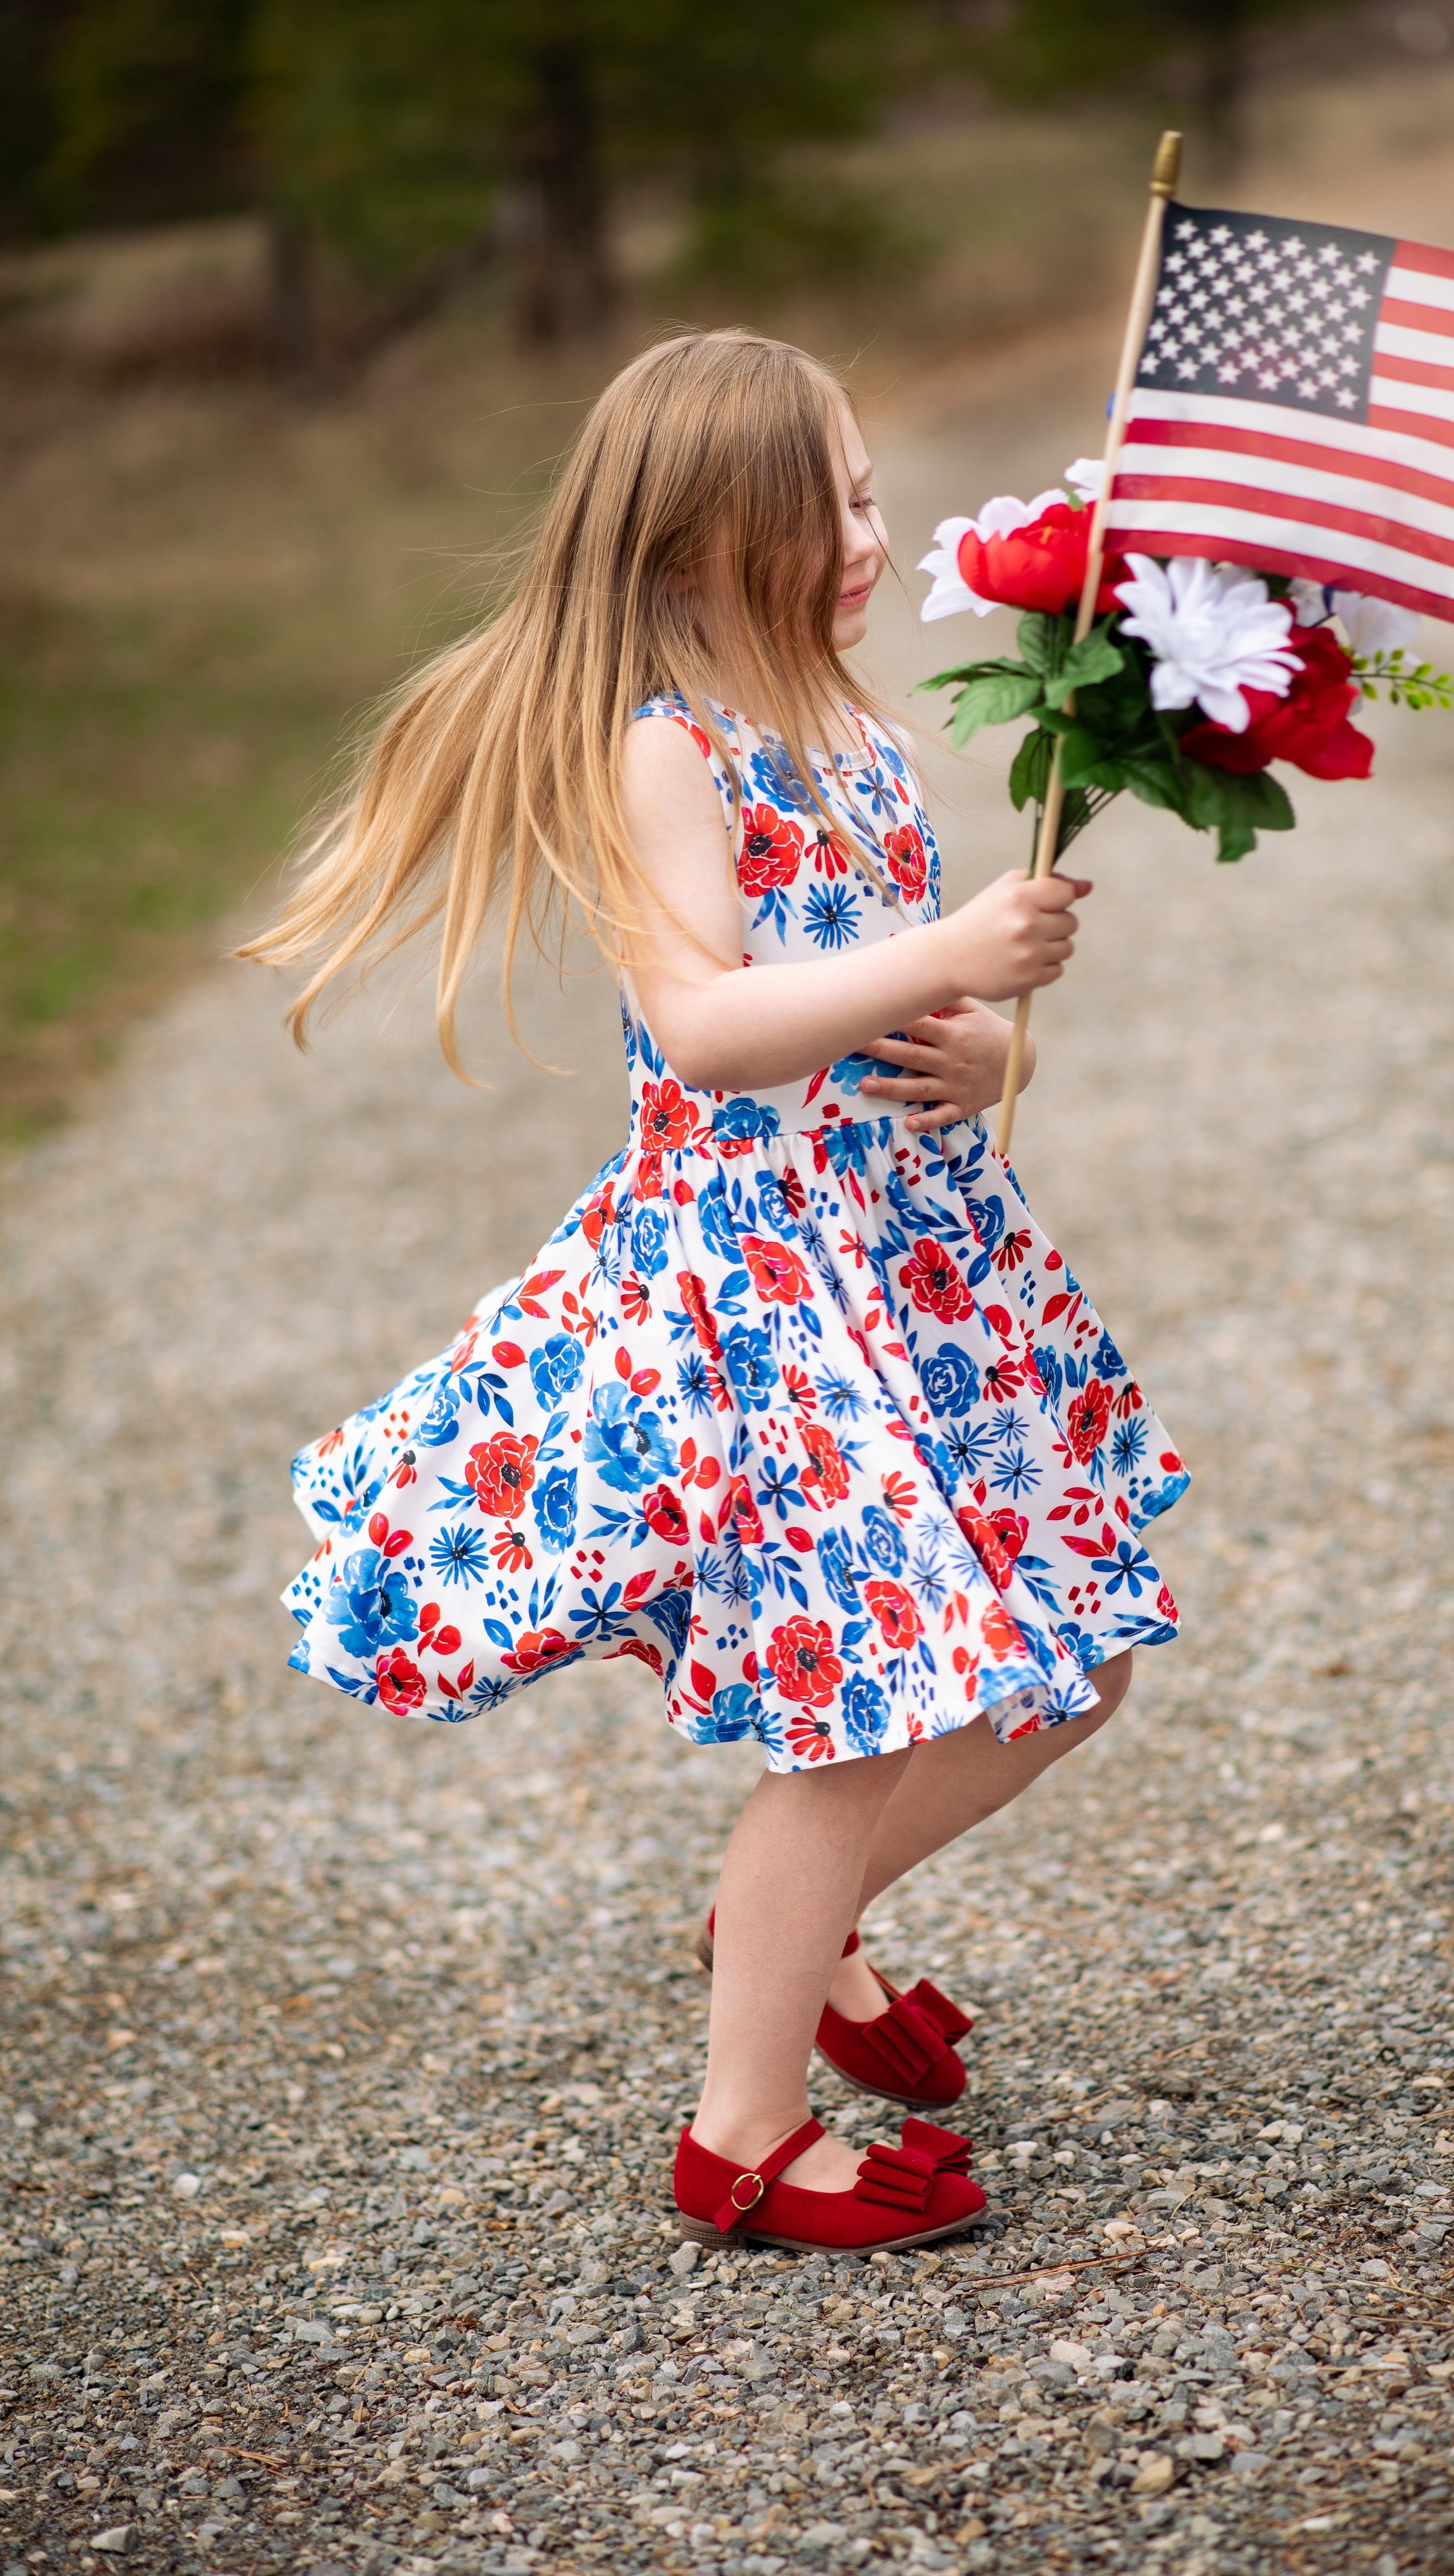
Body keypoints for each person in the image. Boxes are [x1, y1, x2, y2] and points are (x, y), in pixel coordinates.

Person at [242, 329, 1188, 2258]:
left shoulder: (858, 737)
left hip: (926, 1270)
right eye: (827, 498)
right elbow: (705, 1020)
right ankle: (744, 2129)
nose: (873, 525)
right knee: (845, 1725)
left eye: (862, 484)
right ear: (695, 542)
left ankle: (792, 1922)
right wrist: (953, 942)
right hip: (771, 1296)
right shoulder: (663, 750)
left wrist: (991, 1050)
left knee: (1075, 1650)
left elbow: (892, 1016)